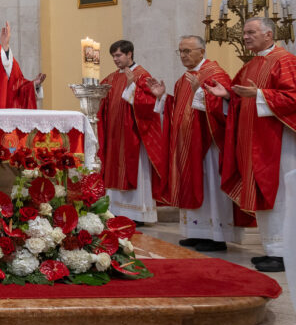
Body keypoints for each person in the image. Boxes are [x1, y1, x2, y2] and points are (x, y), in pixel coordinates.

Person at [214, 17, 296, 272]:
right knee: (263, 193)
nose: (245, 37)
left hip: (277, 143)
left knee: (279, 195)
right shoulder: (251, 65)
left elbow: (292, 97)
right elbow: (240, 95)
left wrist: (259, 94)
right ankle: (272, 249)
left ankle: (285, 252)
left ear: (269, 35)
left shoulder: (285, 60)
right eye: (245, 33)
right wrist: (227, 95)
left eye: (251, 32)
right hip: (254, 143)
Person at [147, 35, 237, 251]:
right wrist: (162, 98)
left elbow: (227, 105)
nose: (183, 55)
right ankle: (197, 231)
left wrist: (201, 92)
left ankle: (215, 236)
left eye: (187, 51)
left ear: (202, 51)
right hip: (187, 145)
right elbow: (178, 108)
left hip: (208, 145)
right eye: (180, 51)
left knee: (209, 187)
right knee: (190, 185)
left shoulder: (215, 74)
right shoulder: (183, 80)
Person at [96, 39, 166, 224]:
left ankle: (137, 215)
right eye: (113, 56)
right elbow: (100, 99)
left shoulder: (141, 75)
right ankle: (114, 211)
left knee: (135, 171)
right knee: (114, 171)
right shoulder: (111, 78)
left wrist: (131, 86)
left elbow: (149, 104)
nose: (115, 59)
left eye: (119, 55)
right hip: (114, 136)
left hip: (133, 136)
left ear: (129, 54)